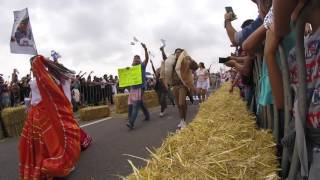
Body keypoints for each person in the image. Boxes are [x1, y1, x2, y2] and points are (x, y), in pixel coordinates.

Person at [19, 55, 80, 179]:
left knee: (44, 141)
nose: (32, 68)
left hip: (41, 113)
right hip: (40, 113)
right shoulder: (44, 79)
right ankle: (46, 166)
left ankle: (44, 166)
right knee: (50, 140)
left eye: (33, 66)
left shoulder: (40, 80)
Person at [160, 48, 198, 129]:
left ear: (182, 54)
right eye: (176, 52)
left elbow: (195, 67)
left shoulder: (185, 61)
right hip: (174, 86)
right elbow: (165, 60)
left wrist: (191, 59)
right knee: (179, 105)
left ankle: (184, 121)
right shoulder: (172, 62)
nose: (178, 53)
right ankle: (182, 120)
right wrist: (162, 50)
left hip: (183, 85)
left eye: (180, 52)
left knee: (181, 103)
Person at [126, 43, 150, 129]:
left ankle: (131, 122)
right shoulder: (131, 69)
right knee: (136, 104)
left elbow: (147, 59)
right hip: (133, 88)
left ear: (140, 60)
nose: (135, 60)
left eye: (137, 59)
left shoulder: (142, 66)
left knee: (136, 105)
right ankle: (147, 116)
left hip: (140, 88)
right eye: (134, 59)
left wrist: (145, 49)